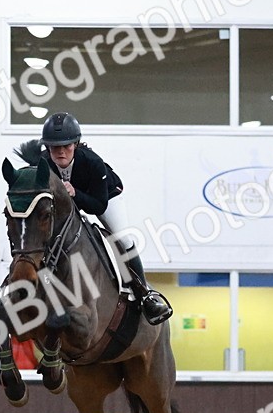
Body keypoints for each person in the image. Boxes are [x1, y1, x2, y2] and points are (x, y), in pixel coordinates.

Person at [39, 112, 173, 325]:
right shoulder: (43, 164)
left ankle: (144, 294)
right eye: (55, 147)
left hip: (105, 197)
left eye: (66, 146)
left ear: (75, 144)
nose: (61, 151)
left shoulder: (93, 162)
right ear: (47, 148)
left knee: (122, 239)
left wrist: (75, 193)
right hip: (68, 204)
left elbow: (98, 206)